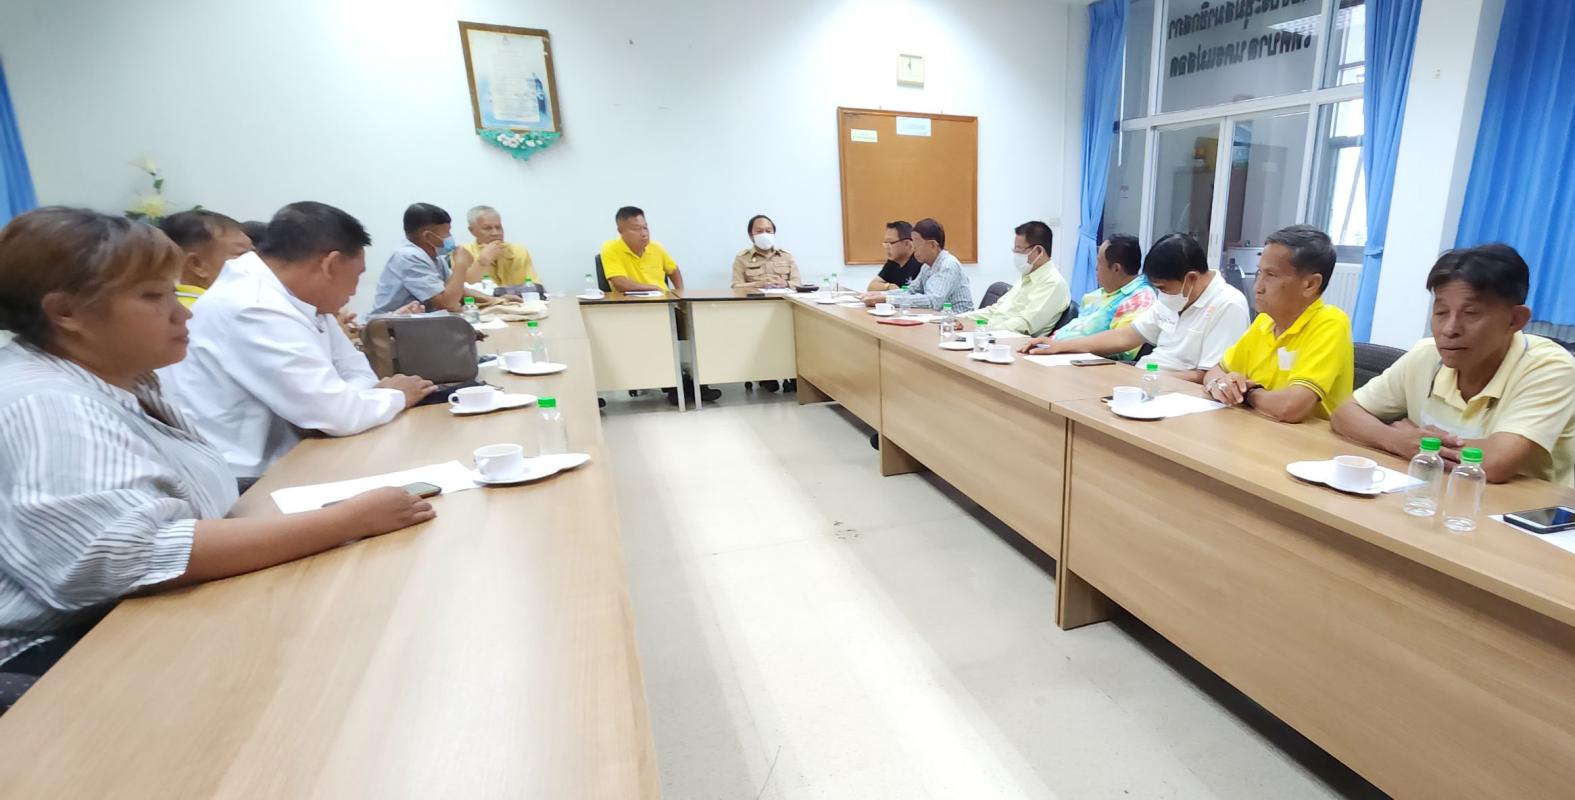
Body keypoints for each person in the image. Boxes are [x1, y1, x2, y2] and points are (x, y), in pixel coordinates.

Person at [0, 207, 436, 679]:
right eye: (154, 296)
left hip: (135, 607)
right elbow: (129, 556)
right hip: (59, 648)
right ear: (66, 313)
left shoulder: (118, 376)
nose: (183, 312)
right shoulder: (50, 402)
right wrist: (346, 521)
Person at [171, 202, 438, 481]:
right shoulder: (253, 305)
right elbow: (338, 415)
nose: (355, 289)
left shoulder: (301, 299)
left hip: (298, 454)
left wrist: (356, 400)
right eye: (357, 276)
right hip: (246, 479)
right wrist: (395, 395)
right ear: (330, 264)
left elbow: (355, 374)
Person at [1332, 244, 1575, 484]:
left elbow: (1495, 462)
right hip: (1434, 492)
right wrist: (1397, 440)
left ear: (1515, 320)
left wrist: (1421, 444)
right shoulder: (1426, 355)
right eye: (1441, 312)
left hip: (1526, 506)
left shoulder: (1550, 368)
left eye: (1471, 313)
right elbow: (1345, 414)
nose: (1450, 329)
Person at [1022, 232, 1249, 382]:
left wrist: (1143, 380)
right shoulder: (1176, 296)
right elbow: (1125, 336)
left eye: (1163, 287)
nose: (1161, 294)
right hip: (1147, 382)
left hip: (1176, 393)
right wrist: (1059, 346)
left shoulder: (1228, 305)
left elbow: (1207, 376)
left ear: (1190, 279)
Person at [1202, 225, 1353, 423]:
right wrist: (1221, 384)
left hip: (1304, 439)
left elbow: (1290, 408)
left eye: (1271, 275)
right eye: (1259, 272)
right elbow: (1215, 371)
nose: (1257, 287)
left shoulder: (1330, 323)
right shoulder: (1265, 321)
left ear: (1310, 284)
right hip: (1258, 428)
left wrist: (1248, 393)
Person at [1023, 234, 1154, 360]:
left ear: (1116, 268)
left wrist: (1060, 347)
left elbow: (1122, 350)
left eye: (1099, 261)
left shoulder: (1140, 299)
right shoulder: (1100, 293)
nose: (1096, 267)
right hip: (1056, 352)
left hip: (1081, 362)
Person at [372, 203, 491, 314]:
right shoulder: (408, 257)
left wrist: (492, 300)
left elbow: (458, 290)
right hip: (390, 326)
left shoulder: (435, 257)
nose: (450, 237)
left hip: (419, 323)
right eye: (447, 232)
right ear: (428, 236)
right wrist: (460, 265)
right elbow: (446, 303)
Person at [969, 221, 1069, 336]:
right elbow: (995, 311)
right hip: (995, 335)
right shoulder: (1027, 276)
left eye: (1019, 251)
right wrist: (959, 319)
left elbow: (1024, 324)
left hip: (1014, 341)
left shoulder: (1053, 283)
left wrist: (986, 330)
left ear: (1039, 251)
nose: (1016, 256)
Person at [861, 218, 973, 312]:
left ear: (932, 245)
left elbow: (933, 302)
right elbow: (911, 290)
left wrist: (887, 299)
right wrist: (879, 294)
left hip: (960, 322)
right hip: (939, 321)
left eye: (917, 242)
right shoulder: (927, 266)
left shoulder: (948, 265)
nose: (913, 247)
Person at [157, 210, 253, 308]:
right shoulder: (203, 310)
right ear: (197, 264)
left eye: (253, 253)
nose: (256, 262)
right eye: (242, 254)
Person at [453, 205, 542, 293]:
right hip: (484, 303)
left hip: (521, 301)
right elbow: (462, 290)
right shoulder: (462, 253)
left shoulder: (518, 251)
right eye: (487, 228)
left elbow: (536, 286)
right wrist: (482, 262)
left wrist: (502, 292)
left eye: (498, 227)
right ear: (472, 230)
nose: (495, 233)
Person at [600, 206, 685, 293]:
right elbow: (621, 284)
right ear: (620, 230)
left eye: (645, 227)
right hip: (632, 300)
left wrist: (680, 293)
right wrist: (654, 288)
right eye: (636, 229)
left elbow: (673, 270)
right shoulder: (611, 248)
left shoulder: (656, 247)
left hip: (663, 299)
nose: (644, 234)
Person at [731, 214, 800, 289]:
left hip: (783, 296)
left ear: (774, 234)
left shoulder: (786, 256)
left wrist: (786, 283)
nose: (764, 234)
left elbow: (797, 283)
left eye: (768, 231)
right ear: (751, 235)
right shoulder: (742, 258)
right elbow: (736, 286)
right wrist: (757, 284)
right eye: (759, 231)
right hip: (756, 296)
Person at [867, 221, 922, 291]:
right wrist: (888, 286)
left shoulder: (920, 262)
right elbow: (871, 286)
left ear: (907, 243)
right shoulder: (893, 262)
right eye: (886, 243)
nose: (886, 247)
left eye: (890, 242)